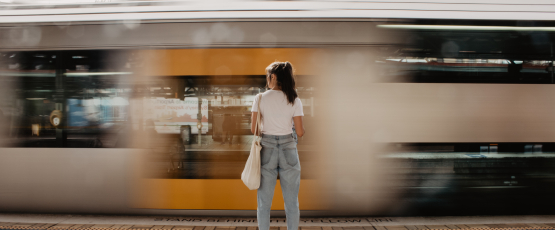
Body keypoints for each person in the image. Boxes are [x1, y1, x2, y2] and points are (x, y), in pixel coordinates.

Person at [251, 61, 305, 230]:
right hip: (289, 147)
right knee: (291, 202)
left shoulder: (260, 98)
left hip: (267, 148)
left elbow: (254, 129)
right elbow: (301, 132)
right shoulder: (294, 100)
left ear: (273, 77)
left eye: (268, 76)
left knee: (264, 203)